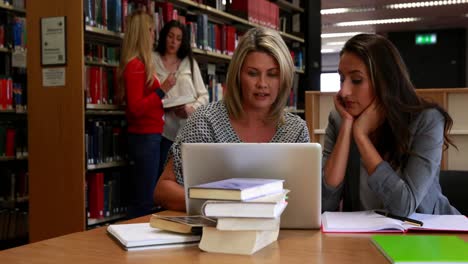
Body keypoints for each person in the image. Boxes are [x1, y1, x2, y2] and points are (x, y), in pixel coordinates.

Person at [154, 27, 310, 211]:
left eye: (272, 74)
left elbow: (305, 200)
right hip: (213, 233)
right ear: (237, 76)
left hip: (282, 236)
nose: (262, 83)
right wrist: (224, 206)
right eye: (252, 73)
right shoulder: (205, 121)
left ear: (284, 77)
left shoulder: (296, 130)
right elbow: (163, 191)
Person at [322, 33, 460, 216]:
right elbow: (324, 204)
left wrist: (361, 137)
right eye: (341, 79)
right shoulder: (340, 120)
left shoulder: (427, 121)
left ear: (384, 81)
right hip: (361, 235)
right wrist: (348, 126)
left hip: (427, 234)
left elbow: (404, 206)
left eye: (356, 80)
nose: (344, 91)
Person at [118, 10, 175, 218]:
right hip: (144, 137)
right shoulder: (135, 66)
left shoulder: (140, 65)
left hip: (150, 135)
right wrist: (162, 91)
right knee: (143, 198)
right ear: (143, 33)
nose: (154, 35)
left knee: (148, 195)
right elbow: (135, 108)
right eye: (151, 30)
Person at [153, 20, 209, 177]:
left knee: (187, 177)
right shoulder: (152, 60)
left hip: (188, 131)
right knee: (162, 176)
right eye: (171, 36)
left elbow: (204, 95)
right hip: (162, 131)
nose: (173, 42)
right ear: (164, 37)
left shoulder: (189, 62)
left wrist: (191, 109)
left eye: (178, 38)